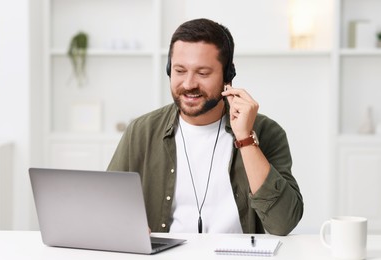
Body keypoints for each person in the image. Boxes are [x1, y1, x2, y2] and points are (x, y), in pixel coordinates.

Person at [107, 18, 303, 235]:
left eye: (203, 73)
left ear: (228, 75)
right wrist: (123, 226)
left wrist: (246, 139)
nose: (189, 84)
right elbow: (107, 206)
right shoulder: (141, 131)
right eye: (180, 71)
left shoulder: (267, 132)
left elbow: (283, 223)